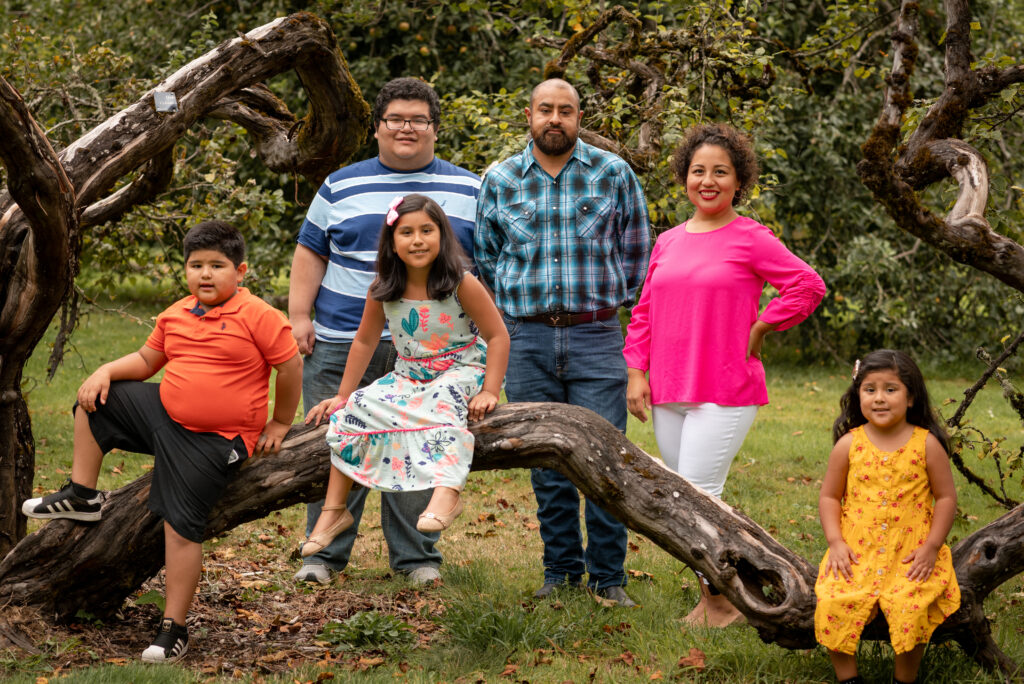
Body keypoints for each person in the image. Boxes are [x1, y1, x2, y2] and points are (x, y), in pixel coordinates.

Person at [22, 220, 302, 664]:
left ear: (241, 271)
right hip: (166, 416)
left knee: (179, 527)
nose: (205, 274)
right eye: (196, 265)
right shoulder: (176, 313)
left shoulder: (260, 316)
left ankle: (174, 629)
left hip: (216, 439)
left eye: (217, 265)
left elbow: (289, 368)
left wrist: (280, 422)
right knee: (96, 401)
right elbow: (148, 360)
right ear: (185, 270)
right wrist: (105, 371)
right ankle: (83, 495)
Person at [623, 122, 825, 626]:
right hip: (669, 387)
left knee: (696, 498)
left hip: (726, 389)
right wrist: (636, 372)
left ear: (738, 181)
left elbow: (807, 285)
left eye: (720, 172)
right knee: (686, 500)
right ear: (684, 178)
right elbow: (645, 311)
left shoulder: (752, 238)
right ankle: (727, 593)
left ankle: (725, 601)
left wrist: (763, 324)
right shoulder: (667, 241)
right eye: (698, 171)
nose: (707, 181)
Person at [289, 77, 480, 585]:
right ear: (377, 128)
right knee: (334, 437)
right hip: (341, 339)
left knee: (417, 442)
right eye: (396, 118)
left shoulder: (468, 189)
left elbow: (482, 269)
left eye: (419, 119)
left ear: (435, 130)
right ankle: (323, 556)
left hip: (434, 355)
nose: (407, 128)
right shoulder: (340, 184)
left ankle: (416, 557)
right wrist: (299, 315)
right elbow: (311, 250)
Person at [475, 78, 651, 607]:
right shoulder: (500, 179)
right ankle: (560, 573)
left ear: (579, 117)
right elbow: (485, 261)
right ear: (529, 114)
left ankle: (608, 577)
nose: (556, 119)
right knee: (544, 461)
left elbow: (639, 255)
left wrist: (620, 317)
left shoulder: (613, 173)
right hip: (526, 338)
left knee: (604, 459)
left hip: (597, 336)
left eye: (566, 111)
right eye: (546, 110)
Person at [300, 194, 509, 556]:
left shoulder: (461, 283)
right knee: (356, 409)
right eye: (407, 232)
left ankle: (448, 491)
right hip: (409, 374)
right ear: (391, 243)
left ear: (442, 236)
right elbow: (364, 342)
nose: (417, 240)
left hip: (460, 370)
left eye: (427, 230)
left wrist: (490, 389)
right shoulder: (384, 289)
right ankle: (334, 511)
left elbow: (498, 335)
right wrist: (343, 394)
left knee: (441, 403)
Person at [815, 350, 960, 684]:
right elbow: (829, 497)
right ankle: (848, 679)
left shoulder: (927, 444)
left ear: (910, 397)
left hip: (911, 553)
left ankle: (903, 680)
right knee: (835, 601)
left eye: (890, 389)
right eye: (870, 389)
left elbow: (946, 498)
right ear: (858, 395)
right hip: (856, 553)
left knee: (910, 605)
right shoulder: (849, 444)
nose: (879, 398)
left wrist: (932, 547)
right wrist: (835, 543)